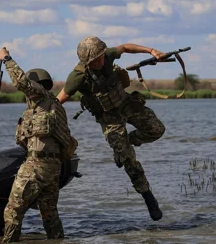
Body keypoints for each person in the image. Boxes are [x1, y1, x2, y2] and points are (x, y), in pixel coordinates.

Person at [56, 36, 166, 221]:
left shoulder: (106, 55)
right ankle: (148, 196)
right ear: (86, 62)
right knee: (129, 161)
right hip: (109, 117)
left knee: (157, 130)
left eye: (101, 57)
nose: (100, 61)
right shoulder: (77, 76)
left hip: (127, 104)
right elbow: (59, 100)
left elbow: (125, 47)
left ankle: (124, 144)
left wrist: (152, 51)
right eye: (95, 60)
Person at [0, 47, 78, 242]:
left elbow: (21, 81)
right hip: (53, 168)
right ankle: (57, 240)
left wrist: (6, 59)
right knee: (49, 213)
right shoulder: (55, 106)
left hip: (37, 165)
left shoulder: (39, 95)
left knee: (13, 210)